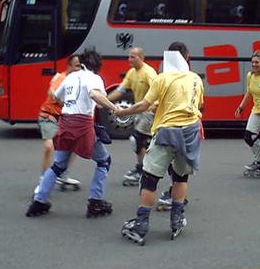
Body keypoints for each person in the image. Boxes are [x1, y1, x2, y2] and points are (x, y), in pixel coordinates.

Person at [115, 42, 204, 245]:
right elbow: (197, 105)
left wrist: (123, 111)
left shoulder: (162, 78)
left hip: (167, 133)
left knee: (149, 178)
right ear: (186, 57)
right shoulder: (195, 79)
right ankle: (176, 219)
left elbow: (145, 105)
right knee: (181, 177)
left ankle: (141, 225)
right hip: (190, 132)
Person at [26, 48, 119, 218]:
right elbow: (95, 95)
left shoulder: (70, 77)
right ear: (97, 65)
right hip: (83, 124)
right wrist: (114, 108)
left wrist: (73, 102)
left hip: (65, 122)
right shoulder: (94, 78)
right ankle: (95, 202)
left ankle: (39, 201)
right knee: (104, 161)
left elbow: (57, 96)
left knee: (58, 165)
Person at [107, 47, 157, 186]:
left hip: (148, 112)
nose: (129, 59)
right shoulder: (131, 73)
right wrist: (104, 101)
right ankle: (143, 169)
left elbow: (158, 90)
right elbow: (120, 91)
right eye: (129, 57)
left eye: (133, 57)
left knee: (137, 140)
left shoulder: (149, 72)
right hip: (138, 111)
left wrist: (154, 105)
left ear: (141, 58)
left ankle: (143, 171)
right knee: (140, 142)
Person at [34, 55, 81, 194]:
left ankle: (61, 174)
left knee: (75, 145)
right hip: (49, 116)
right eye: (76, 66)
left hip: (65, 119)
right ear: (69, 66)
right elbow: (51, 92)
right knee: (49, 146)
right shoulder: (61, 77)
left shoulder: (80, 81)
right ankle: (43, 180)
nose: (78, 69)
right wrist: (63, 101)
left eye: (80, 66)